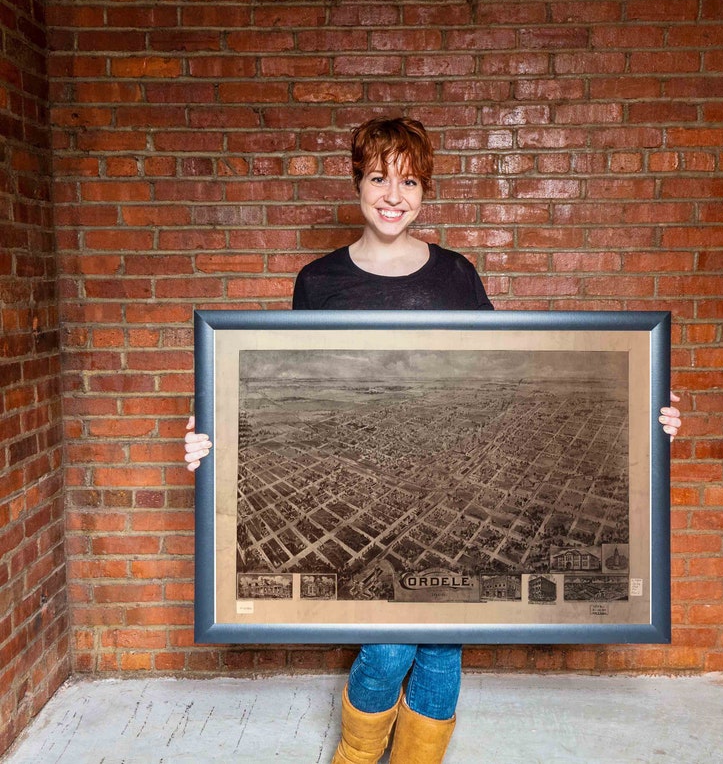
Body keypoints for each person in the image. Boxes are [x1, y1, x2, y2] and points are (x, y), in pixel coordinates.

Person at [184, 117, 682, 763]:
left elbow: (508, 373)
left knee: (444, 641)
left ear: (425, 191)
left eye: (410, 180)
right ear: (357, 183)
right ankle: (357, 756)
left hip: (446, 479)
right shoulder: (320, 281)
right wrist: (209, 431)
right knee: (387, 644)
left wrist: (645, 407)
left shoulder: (455, 274)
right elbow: (279, 381)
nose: (394, 194)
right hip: (362, 478)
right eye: (379, 177)